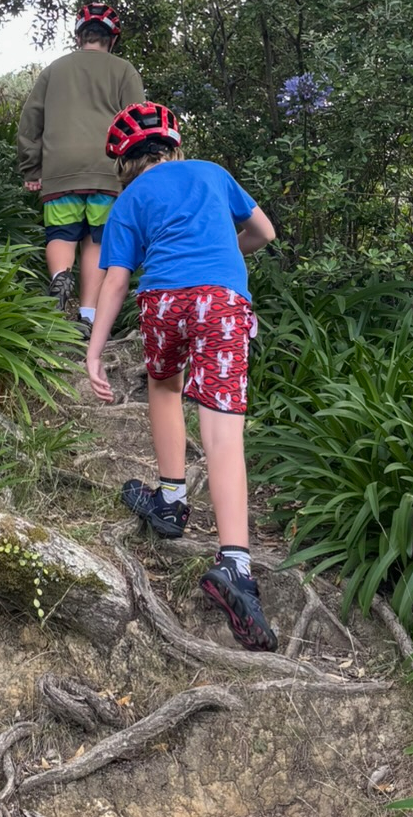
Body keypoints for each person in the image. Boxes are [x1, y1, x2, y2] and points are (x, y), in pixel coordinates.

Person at [85, 102, 279, 650]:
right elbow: (263, 231)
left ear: (125, 161)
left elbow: (116, 283)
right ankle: (236, 566)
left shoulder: (127, 202)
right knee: (223, 432)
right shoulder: (213, 174)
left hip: (163, 301)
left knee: (163, 387)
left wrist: (94, 353)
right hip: (221, 302)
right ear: (174, 147)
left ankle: (171, 500)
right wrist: (225, 256)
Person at [17, 4, 144, 330]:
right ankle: (87, 315)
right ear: (111, 39)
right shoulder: (124, 70)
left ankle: (61, 276)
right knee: (97, 240)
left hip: (61, 169)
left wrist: (32, 170)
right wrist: (137, 171)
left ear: (79, 36)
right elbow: (136, 122)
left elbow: (30, 121)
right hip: (107, 169)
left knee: (61, 232)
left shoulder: (54, 70)